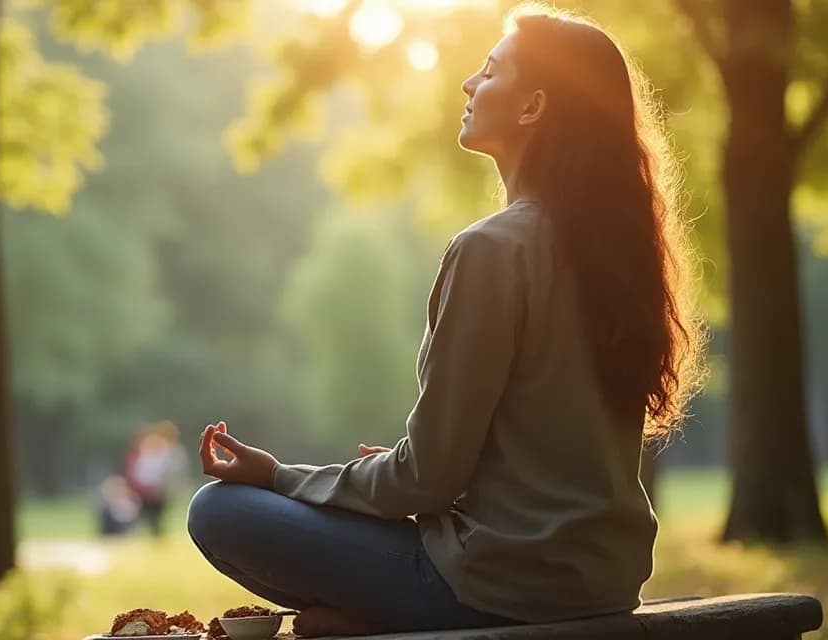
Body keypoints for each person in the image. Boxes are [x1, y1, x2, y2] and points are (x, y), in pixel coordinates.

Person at [184, 5, 705, 637]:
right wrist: (410, 481)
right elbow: (527, 457)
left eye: (489, 71)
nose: (467, 83)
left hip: (495, 588)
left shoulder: (491, 250)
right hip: (602, 582)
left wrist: (277, 475)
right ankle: (362, 618)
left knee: (221, 511)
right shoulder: (616, 255)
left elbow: (425, 480)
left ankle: (379, 618)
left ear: (532, 107)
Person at [125, 422, 189, 538]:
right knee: (150, 517)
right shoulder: (152, 450)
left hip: (159, 489)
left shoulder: (171, 452)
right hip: (148, 489)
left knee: (156, 517)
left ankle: (156, 536)